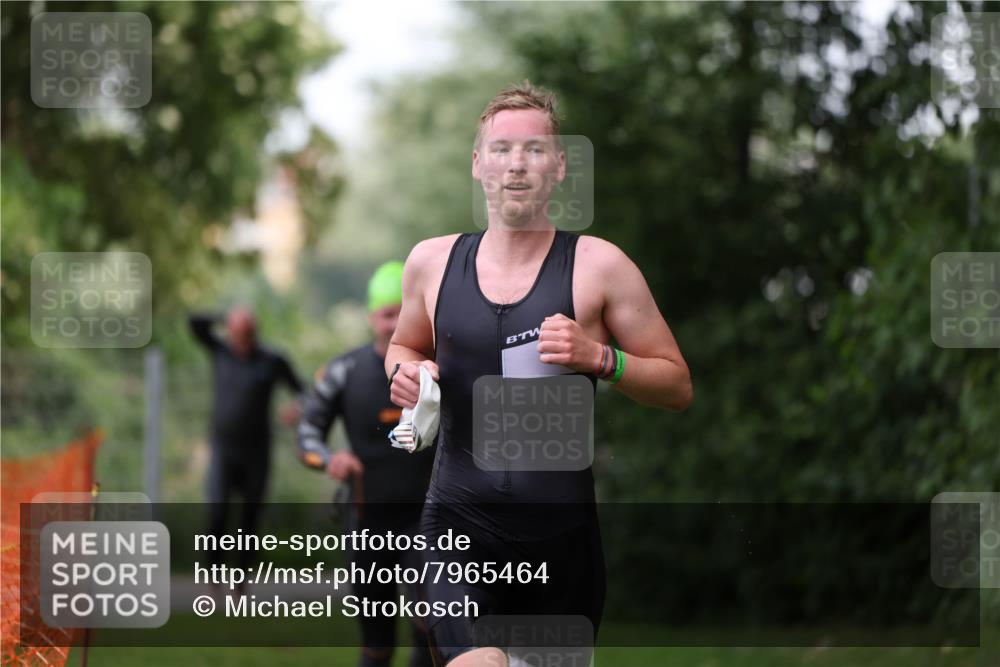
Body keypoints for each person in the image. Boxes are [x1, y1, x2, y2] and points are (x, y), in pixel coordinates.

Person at [385, 81, 693, 666]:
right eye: (500, 149)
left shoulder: (600, 267)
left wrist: (602, 358)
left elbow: (677, 385)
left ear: (559, 166)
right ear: (478, 165)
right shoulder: (431, 262)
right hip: (455, 521)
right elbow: (402, 345)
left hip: (562, 541)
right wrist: (405, 373)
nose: (516, 164)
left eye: (533, 149)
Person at [298, 262, 436, 667]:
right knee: (376, 643)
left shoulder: (434, 372)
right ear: (371, 316)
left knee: (429, 629)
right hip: (367, 522)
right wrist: (328, 459)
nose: (393, 324)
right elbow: (307, 432)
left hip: (427, 521)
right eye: (386, 314)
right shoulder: (344, 371)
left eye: (402, 313)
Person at [189, 307, 304, 590]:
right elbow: (194, 321)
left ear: (255, 332)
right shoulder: (220, 351)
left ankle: (241, 579)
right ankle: (214, 576)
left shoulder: (272, 360)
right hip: (224, 449)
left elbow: (303, 390)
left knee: (250, 516)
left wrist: (297, 407)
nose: (242, 340)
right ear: (230, 332)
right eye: (237, 333)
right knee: (218, 511)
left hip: (257, 451)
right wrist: (225, 316)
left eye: (247, 333)